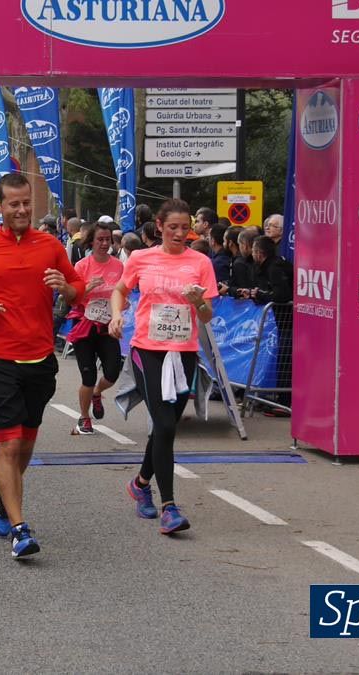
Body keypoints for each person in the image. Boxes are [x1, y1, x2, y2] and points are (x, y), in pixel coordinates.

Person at [0, 172, 84, 559]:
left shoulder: (51, 245)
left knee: (26, 443)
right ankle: (20, 529)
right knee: (8, 443)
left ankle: (0, 491)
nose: (23, 209)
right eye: (14, 204)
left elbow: (78, 290)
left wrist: (65, 287)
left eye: (27, 203)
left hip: (40, 358)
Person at [109, 198, 217, 536]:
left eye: (186, 228)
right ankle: (169, 507)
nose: (180, 233)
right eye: (173, 227)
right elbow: (120, 290)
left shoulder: (200, 262)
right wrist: (116, 314)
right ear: (159, 226)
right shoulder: (142, 258)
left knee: (165, 427)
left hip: (183, 352)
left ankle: (141, 482)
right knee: (165, 425)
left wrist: (198, 300)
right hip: (148, 350)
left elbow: (208, 315)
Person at [66, 221, 124, 435]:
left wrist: (122, 305)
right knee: (88, 376)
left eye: (107, 239)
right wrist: (87, 288)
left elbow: (123, 294)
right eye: (100, 239)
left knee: (112, 372)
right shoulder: (82, 266)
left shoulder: (118, 266)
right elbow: (71, 299)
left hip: (108, 326)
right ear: (91, 241)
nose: (104, 243)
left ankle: (98, 392)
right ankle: (84, 417)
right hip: (85, 325)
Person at [246, 236, 293, 412]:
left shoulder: (274, 268)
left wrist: (261, 295)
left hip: (288, 320)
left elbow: (282, 295)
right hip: (283, 320)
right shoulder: (274, 265)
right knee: (283, 357)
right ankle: (282, 400)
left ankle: (283, 402)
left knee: (285, 358)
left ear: (259, 252)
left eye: (253, 251)